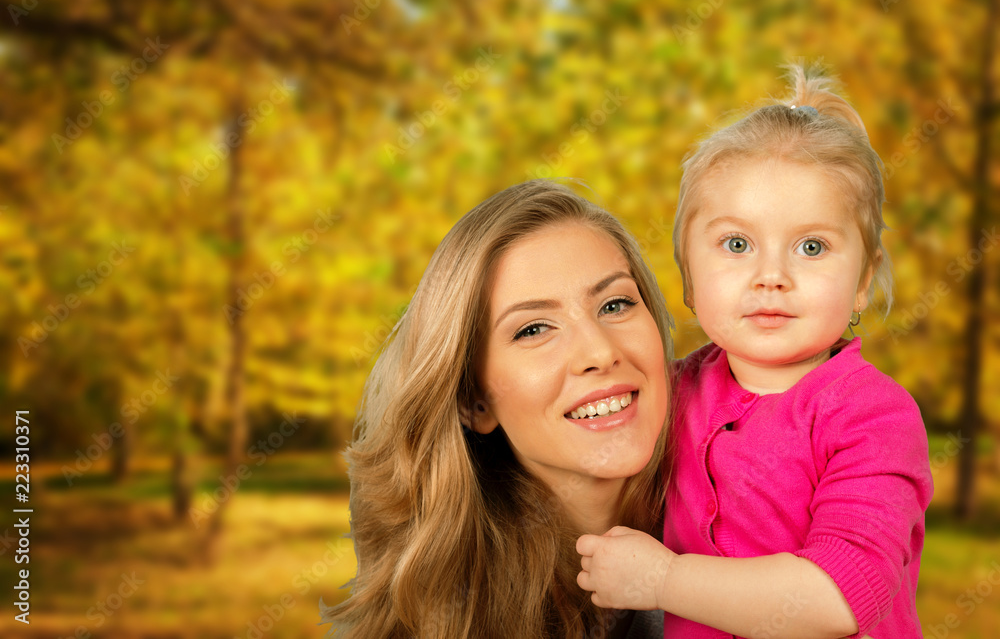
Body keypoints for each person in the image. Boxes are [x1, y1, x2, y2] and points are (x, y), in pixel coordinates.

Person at [577, 64, 933, 638]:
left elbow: (838, 599)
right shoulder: (675, 392)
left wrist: (664, 580)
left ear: (863, 281)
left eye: (811, 246)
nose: (772, 275)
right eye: (737, 244)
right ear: (690, 278)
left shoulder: (873, 417)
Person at [323, 179, 676, 638]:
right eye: (532, 329)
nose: (599, 351)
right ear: (474, 402)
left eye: (615, 303)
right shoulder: (439, 613)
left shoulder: (774, 521)